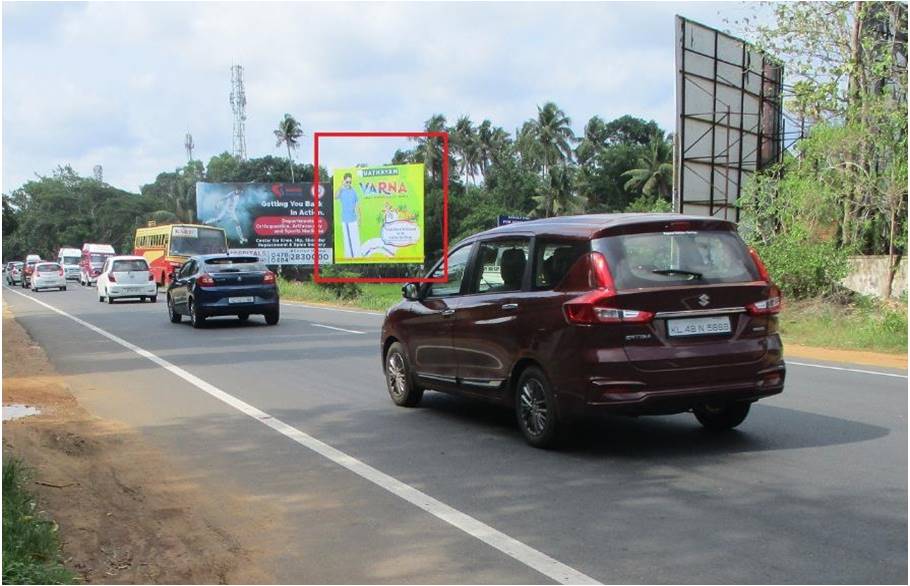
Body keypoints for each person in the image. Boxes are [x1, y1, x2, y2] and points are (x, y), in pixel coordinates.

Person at [336, 173, 361, 258]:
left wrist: (359, 218)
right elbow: (336, 196)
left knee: (355, 239)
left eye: (350, 182)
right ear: (344, 181)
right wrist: (341, 187)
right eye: (347, 182)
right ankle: (349, 256)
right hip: (346, 220)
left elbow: (357, 205)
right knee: (347, 240)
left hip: (354, 219)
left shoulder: (354, 191)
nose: (349, 184)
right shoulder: (341, 191)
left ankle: (357, 256)